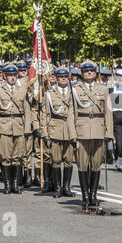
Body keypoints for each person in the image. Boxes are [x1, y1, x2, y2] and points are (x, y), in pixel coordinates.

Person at [68, 60, 114, 209]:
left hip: (99, 130)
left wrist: (109, 133)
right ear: (82, 73)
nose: (89, 73)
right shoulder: (75, 90)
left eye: (91, 71)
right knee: (82, 164)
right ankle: (85, 195)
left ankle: (93, 194)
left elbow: (108, 112)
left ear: (95, 73)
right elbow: (71, 113)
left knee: (96, 164)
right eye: (86, 71)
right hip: (81, 130)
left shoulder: (103, 89)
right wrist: (72, 134)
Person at [0, 64, 31, 194]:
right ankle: (7, 185)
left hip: (19, 125)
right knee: (6, 156)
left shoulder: (22, 89)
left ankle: (15, 184)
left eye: (14, 75)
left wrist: (27, 129)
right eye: (9, 75)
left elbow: (27, 110)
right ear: (4, 76)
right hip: (4, 125)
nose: (12, 78)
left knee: (18, 156)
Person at [41, 67, 75, 198]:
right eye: (61, 76)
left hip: (70, 130)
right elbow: (45, 115)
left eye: (65, 76)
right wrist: (45, 134)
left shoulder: (73, 93)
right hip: (55, 129)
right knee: (56, 160)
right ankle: (58, 187)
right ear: (56, 77)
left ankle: (66, 187)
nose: (63, 78)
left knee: (68, 161)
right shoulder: (49, 94)